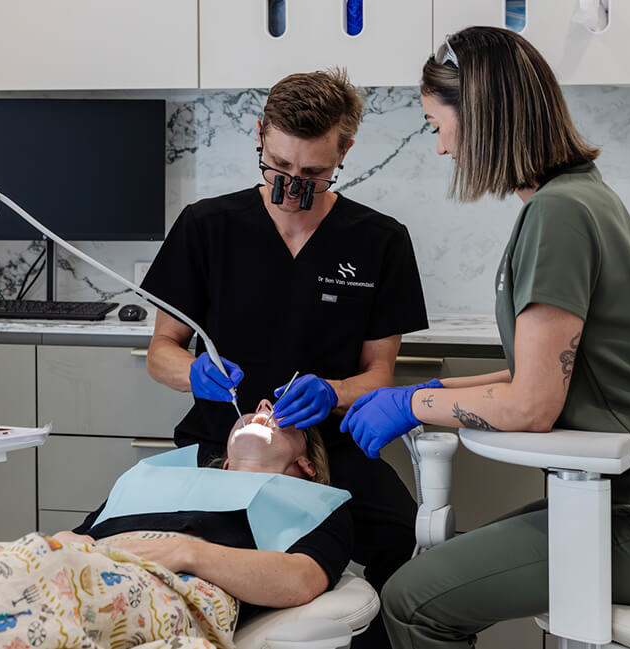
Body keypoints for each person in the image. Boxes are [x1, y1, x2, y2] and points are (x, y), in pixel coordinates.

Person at [338, 27, 630, 649]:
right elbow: (539, 377)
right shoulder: (577, 196)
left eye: (435, 125)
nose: (440, 148)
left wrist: (411, 405)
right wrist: (427, 390)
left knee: (412, 599)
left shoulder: (557, 214)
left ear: (478, 117)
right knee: (446, 568)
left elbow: (532, 407)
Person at [140, 68, 429, 647]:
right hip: (222, 445)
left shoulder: (380, 241)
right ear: (260, 135)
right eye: (278, 166)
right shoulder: (207, 227)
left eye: (313, 174)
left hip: (328, 450)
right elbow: (160, 353)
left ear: (344, 151)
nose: (292, 185)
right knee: (138, 534)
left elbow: (378, 375)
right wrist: (194, 373)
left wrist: (334, 392)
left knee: (399, 532)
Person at [0, 402, 352, 649]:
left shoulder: (315, 504)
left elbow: (302, 580)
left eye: (277, 413)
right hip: (77, 563)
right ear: (225, 463)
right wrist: (65, 542)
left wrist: (188, 552)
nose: (263, 406)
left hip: (173, 587)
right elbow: (81, 537)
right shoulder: (157, 478)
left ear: (307, 465)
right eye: (258, 408)